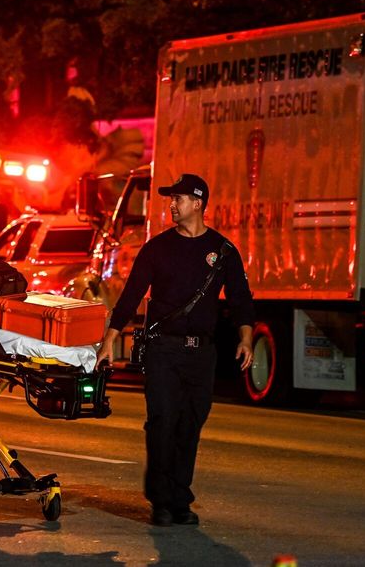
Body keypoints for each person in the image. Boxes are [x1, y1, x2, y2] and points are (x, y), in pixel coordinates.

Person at [96, 173, 255, 527]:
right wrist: (109, 339)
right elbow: (131, 296)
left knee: (190, 423)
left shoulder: (223, 251)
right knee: (162, 422)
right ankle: (161, 501)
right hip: (163, 351)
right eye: (171, 199)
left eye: (178, 199)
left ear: (198, 203)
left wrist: (246, 338)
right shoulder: (157, 248)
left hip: (201, 354)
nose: (172, 205)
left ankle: (180, 499)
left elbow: (241, 300)